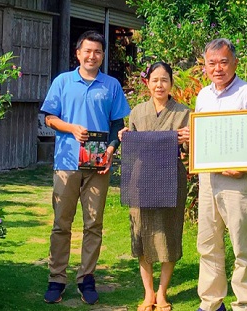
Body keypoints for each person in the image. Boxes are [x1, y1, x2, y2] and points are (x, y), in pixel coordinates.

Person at [41, 31, 131, 305]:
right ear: (78, 53)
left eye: (98, 52)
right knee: (61, 224)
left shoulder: (111, 85)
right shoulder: (63, 82)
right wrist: (71, 128)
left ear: (102, 56)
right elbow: (48, 118)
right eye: (87, 51)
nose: (92, 56)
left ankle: (87, 277)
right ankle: (57, 278)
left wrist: (111, 151)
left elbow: (117, 123)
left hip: (97, 165)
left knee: (94, 224)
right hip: (67, 163)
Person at [194, 38, 247, 311]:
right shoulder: (203, 96)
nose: (217, 68)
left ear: (235, 63)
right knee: (208, 243)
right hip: (208, 178)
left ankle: (243, 304)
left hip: (238, 181)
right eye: (212, 63)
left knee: (242, 245)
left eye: (223, 62)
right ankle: (211, 302)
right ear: (205, 66)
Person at [118, 62, 191, 311]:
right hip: (142, 179)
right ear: (147, 83)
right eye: (155, 80)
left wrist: (188, 139)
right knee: (142, 233)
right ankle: (148, 293)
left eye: (164, 79)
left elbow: (188, 153)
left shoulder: (183, 112)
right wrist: (124, 137)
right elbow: (134, 147)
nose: (159, 84)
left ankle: (162, 293)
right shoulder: (137, 112)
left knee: (169, 234)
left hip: (171, 178)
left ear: (171, 83)